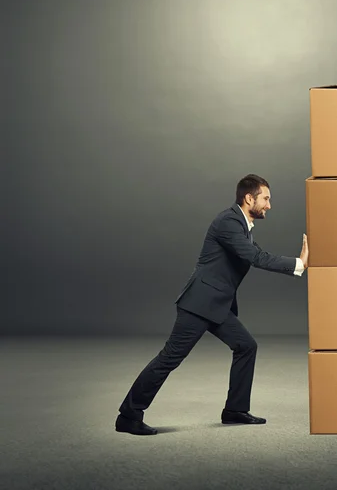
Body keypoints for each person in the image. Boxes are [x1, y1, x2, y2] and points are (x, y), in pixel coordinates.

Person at [115, 174, 309, 435]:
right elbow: (256, 258)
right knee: (169, 359)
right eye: (266, 199)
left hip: (216, 306)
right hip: (199, 304)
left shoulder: (242, 228)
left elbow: (257, 254)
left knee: (246, 346)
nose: (269, 205)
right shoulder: (228, 222)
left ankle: (234, 410)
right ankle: (128, 415)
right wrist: (300, 263)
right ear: (249, 198)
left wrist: (298, 263)